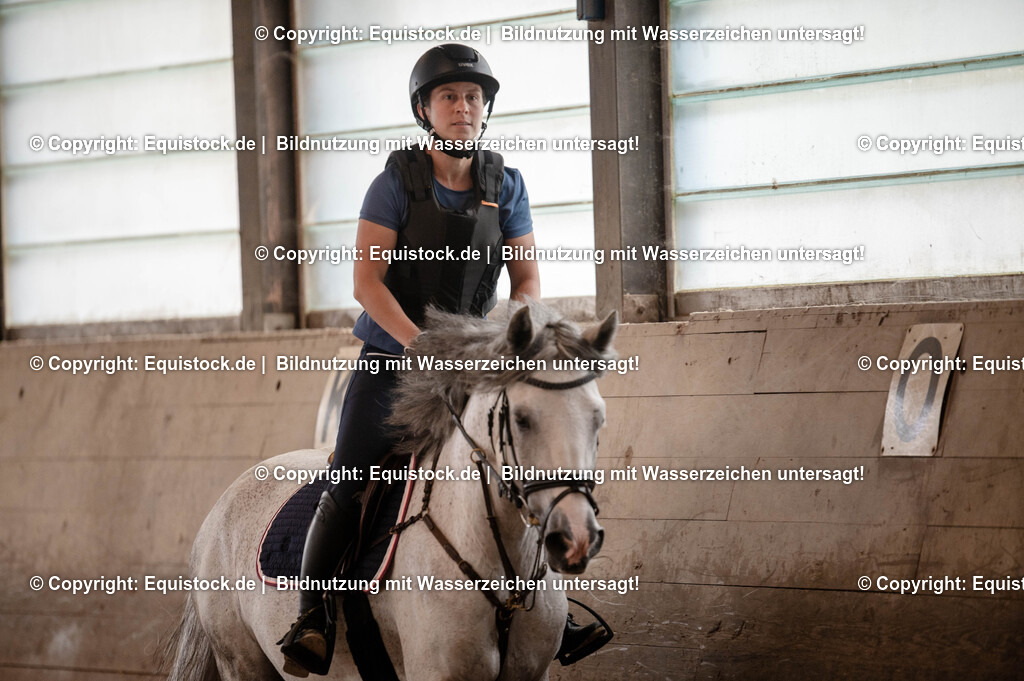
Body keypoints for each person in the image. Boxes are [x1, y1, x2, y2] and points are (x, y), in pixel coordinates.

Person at [279, 43, 609, 676]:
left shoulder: (506, 185)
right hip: (391, 361)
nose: (464, 107)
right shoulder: (394, 185)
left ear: (486, 109)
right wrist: (423, 347)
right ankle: (312, 615)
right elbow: (366, 284)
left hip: (472, 362)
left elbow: (527, 281)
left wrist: (510, 336)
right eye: (449, 97)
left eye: (474, 97)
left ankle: (550, 614)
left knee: (516, 467)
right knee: (350, 478)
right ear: (425, 111)